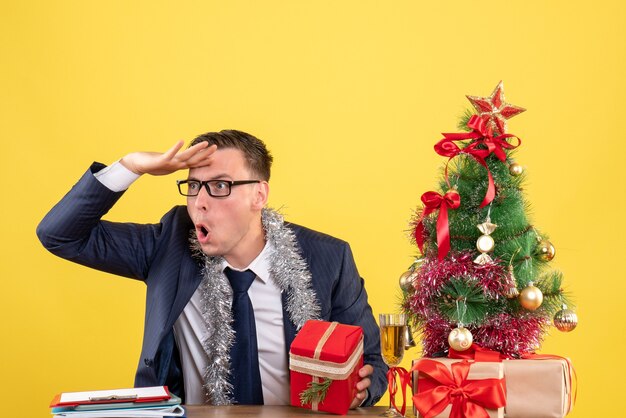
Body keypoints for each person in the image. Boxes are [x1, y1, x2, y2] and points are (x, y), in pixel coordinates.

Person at [37, 130, 387, 407]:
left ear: (259, 196)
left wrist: (361, 391)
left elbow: (372, 362)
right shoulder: (168, 245)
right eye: (192, 186)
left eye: (220, 185)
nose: (199, 202)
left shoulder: (328, 258)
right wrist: (131, 166)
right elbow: (59, 235)